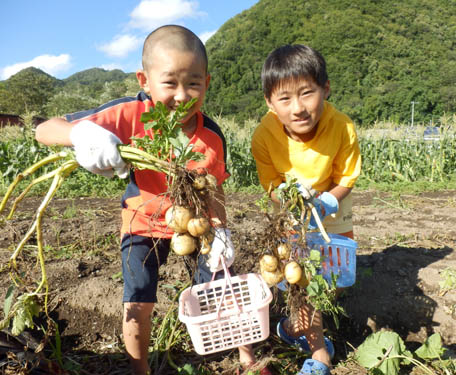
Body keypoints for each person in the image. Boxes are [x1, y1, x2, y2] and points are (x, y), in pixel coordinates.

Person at [36, 25, 269, 375]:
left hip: (195, 224)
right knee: (138, 301)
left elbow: (216, 188)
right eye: (170, 83)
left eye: (192, 83)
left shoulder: (211, 135)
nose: (182, 95)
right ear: (144, 80)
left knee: (224, 286)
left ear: (207, 82)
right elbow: (44, 130)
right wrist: (79, 133)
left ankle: (248, 359)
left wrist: (220, 230)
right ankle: (139, 368)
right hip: (141, 223)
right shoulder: (130, 114)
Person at [251, 44, 361, 375]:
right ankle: (320, 354)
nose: (298, 108)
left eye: (307, 93)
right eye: (284, 99)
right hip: (292, 213)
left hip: (334, 207)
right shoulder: (264, 136)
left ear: (325, 89)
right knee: (303, 281)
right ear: (270, 103)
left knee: (339, 279)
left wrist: (327, 200)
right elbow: (270, 184)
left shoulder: (342, 127)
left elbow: (346, 178)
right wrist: (288, 200)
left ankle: (290, 327)